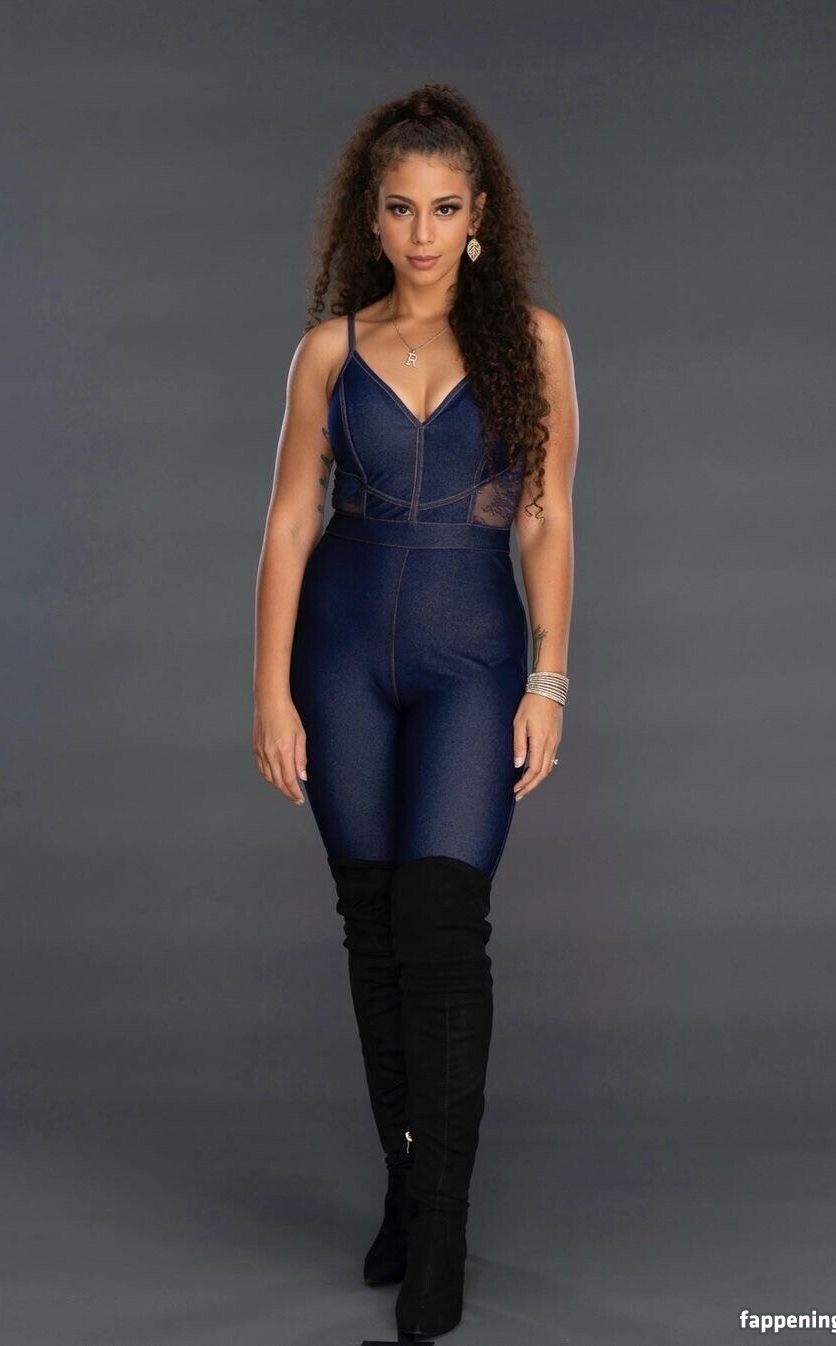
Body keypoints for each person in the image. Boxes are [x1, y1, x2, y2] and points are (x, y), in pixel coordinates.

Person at [253, 82, 578, 1339]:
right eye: (401, 208)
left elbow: (545, 518)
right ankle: (403, 1186)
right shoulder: (329, 351)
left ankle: (440, 1223)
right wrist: (269, 688)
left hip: (471, 662)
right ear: (370, 217)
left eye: (446, 208)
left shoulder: (532, 343)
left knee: (442, 930)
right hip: (338, 663)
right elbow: (290, 522)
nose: (424, 232)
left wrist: (549, 675)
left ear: (480, 214)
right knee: (374, 930)